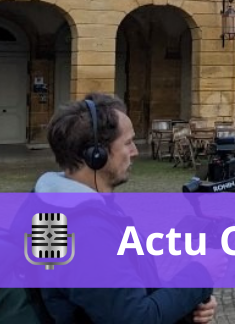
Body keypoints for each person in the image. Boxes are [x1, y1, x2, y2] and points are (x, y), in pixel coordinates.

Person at [25, 93, 219, 324]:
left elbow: (105, 301)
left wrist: (186, 304)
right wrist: (201, 273)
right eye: (127, 143)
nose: (135, 151)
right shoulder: (83, 230)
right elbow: (133, 318)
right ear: (96, 155)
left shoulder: (53, 206)